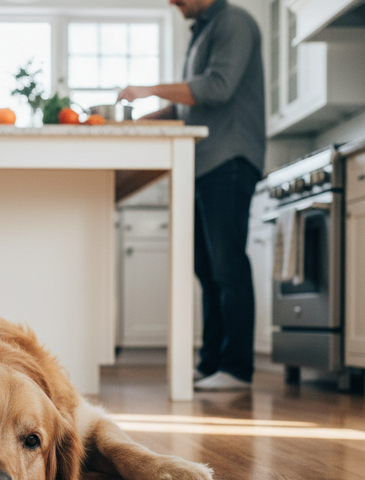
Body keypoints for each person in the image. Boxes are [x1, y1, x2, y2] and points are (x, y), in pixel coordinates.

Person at [117, 0, 265, 391]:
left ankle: (237, 368)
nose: (172, 2)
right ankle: (212, 361)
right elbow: (190, 108)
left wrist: (147, 90)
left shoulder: (235, 22)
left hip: (228, 159)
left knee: (227, 266)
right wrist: (145, 120)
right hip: (203, 164)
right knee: (206, 266)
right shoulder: (202, 31)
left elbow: (216, 88)